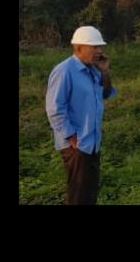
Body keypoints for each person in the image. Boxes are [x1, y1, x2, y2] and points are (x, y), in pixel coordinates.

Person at [45, 25, 117, 205]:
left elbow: (106, 93)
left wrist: (104, 71)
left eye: (99, 47)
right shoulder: (64, 71)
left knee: (89, 192)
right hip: (76, 144)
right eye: (94, 47)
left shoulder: (93, 70)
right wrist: (70, 136)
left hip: (92, 141)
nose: (99, 51)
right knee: (78, 194)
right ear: (79, 48)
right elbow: (55, 108)